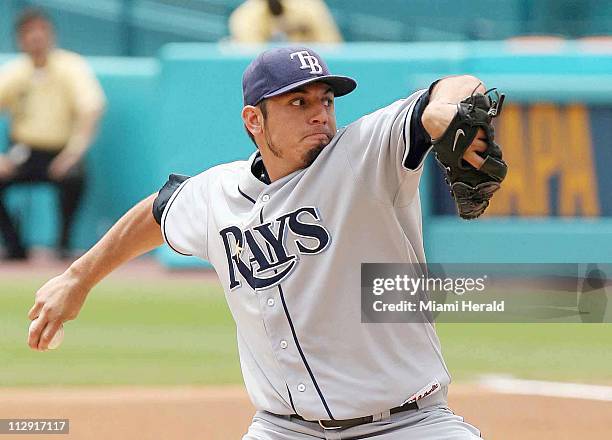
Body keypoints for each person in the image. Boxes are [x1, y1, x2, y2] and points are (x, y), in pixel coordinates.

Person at [28, 47, 504, 438]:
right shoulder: (218, 194)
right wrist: (77, 279)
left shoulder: (366, 153)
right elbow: (158, 211)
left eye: (326, 101)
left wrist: (447, 110)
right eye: (299, 103)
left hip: (407, 425)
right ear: (254, 120)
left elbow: (453, 89)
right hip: (282, 430)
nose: (320, 115)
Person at [0, 9, 106, 260]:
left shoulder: (71, 66)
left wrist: (72, 153)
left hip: (61, 152)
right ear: (20, 38)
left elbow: (92, 108)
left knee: (75, 176)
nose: (36, 37)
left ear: (51, 34)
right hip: (23, 152)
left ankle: (63, 244)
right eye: (28, 32)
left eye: (41, 30)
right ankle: (14, 246)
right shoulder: (15, 72)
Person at [229, 0, 342, 43]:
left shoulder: (310, 7)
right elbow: (251, 60)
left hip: (309, 75)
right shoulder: (245, 15)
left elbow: (331, 47)